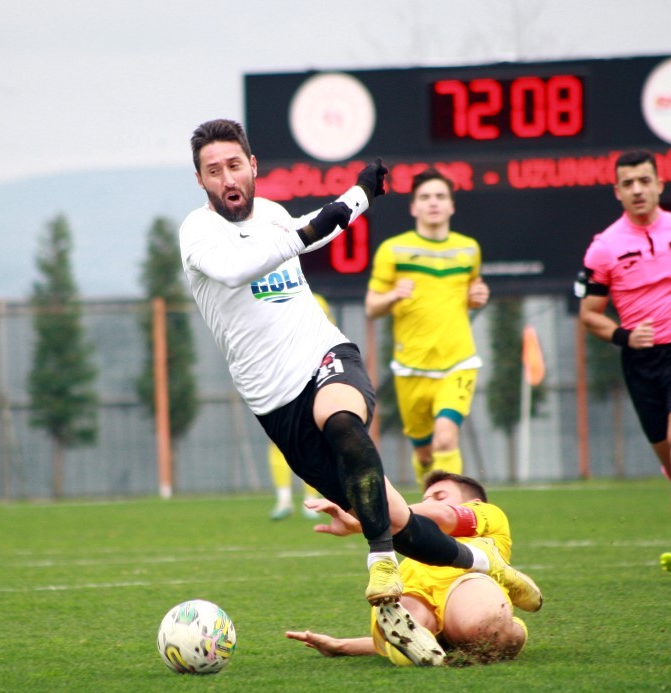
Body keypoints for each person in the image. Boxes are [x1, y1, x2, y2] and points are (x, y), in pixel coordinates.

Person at [179, 120, 539, 655]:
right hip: (274, 402)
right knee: (400, 520)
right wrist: (348, 201)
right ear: (201, 180)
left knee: (344, 422)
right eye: (214, 171)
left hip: (324, 356)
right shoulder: (198, 232)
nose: (226, 177)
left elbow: (306, 228)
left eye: (235, 165)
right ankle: (489, 564)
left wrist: (361, 196)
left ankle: (381, 563)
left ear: (252, 166)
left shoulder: (273, 214)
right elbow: (241, 268)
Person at [577, 149, 671, 586]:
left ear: (660, 184)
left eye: (645, 180)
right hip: (641, 362)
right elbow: (590, 314)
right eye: (628, 184)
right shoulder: (605, 247)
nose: (638, 190)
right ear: (617, 192)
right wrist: (624, 336)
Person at [286, 470, 540, 666]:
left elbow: (443, 516)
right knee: (406, 640)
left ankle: (510, 627)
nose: (429, 502)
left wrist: (365, 519)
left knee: (487, 631)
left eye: (439, 496)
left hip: (465, 580)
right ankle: (443, 645)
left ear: (473, 501)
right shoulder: (417, 545)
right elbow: (400, 637)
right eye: (425, 499)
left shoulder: (488, 515)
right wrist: (341, 646)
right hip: (411, 589)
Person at [365, 168, 489, 487]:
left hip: (458, 362)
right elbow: (371, 306)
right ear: (413, 207)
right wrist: (393, 295)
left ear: (451, 206)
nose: (433, 203)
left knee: (446, 440)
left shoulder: (469, 249)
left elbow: (472, 294)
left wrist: (478, 297)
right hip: (411, 368)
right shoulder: (394, 250)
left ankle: (458, 514)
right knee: (424, 454)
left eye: (440, 197)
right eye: (425, 197)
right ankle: (431, 507)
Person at [270, 294, 335, 521]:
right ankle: (286, 500)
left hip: (308, 375)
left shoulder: (315, 300)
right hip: (286, 376)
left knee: (309, 437)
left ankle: (306, 500)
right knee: (283, 438)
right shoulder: (268, 295)